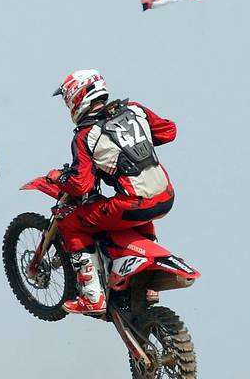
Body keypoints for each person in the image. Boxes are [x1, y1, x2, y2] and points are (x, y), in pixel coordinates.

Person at [48, 70, 177, 315]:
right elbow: (168, 131)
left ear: (77, 97)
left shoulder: (85, 135)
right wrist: (134, 143)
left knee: (70, 222)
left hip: (133, 203)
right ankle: (149, 284)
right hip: (166, 195)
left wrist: (60, 178)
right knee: (133, 207)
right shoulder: (135, 109)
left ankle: (92, 296)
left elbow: (81, 185)